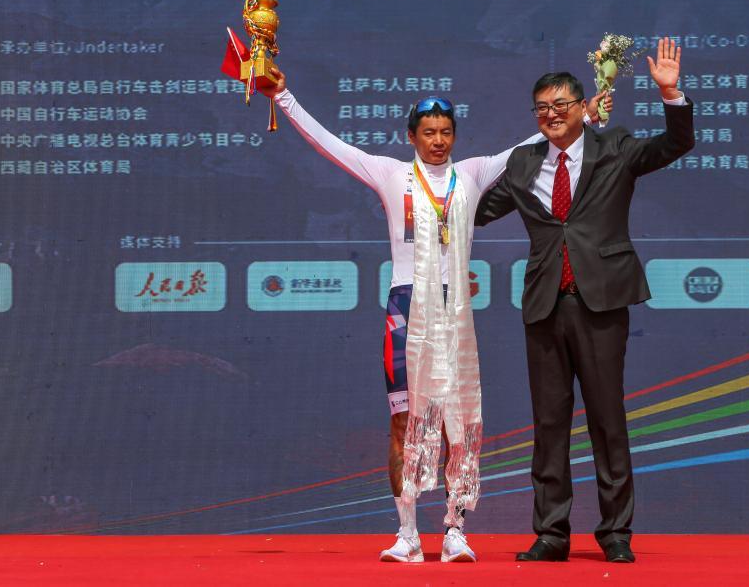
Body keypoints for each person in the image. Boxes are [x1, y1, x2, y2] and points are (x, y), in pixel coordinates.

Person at [257, 66, 609, 563]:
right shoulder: (389, 174)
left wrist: (583, 116)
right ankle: (407, 533)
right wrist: (284, 96)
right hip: (406, 310)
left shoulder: (474, 173)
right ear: (412, 137)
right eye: (428, 133)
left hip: (454, 311)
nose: (438, 141)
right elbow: (330, 144)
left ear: (454, 136)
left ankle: (455, 530)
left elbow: (530, 145)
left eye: (445, 133)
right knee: (404, 423)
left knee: (456, 425)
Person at [475, 37, 694, 563]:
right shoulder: (524, 162)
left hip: (600, 301)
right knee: (549, 424)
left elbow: (674, 145)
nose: (551, 115)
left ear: (582, 107)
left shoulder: (614, 148)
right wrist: (424, 195)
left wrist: (671, 95)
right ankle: (551, 533)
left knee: (606, 419)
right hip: (544, 305)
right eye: (542, 108)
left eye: (560, 105)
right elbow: (476, 210)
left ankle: (615, 532)